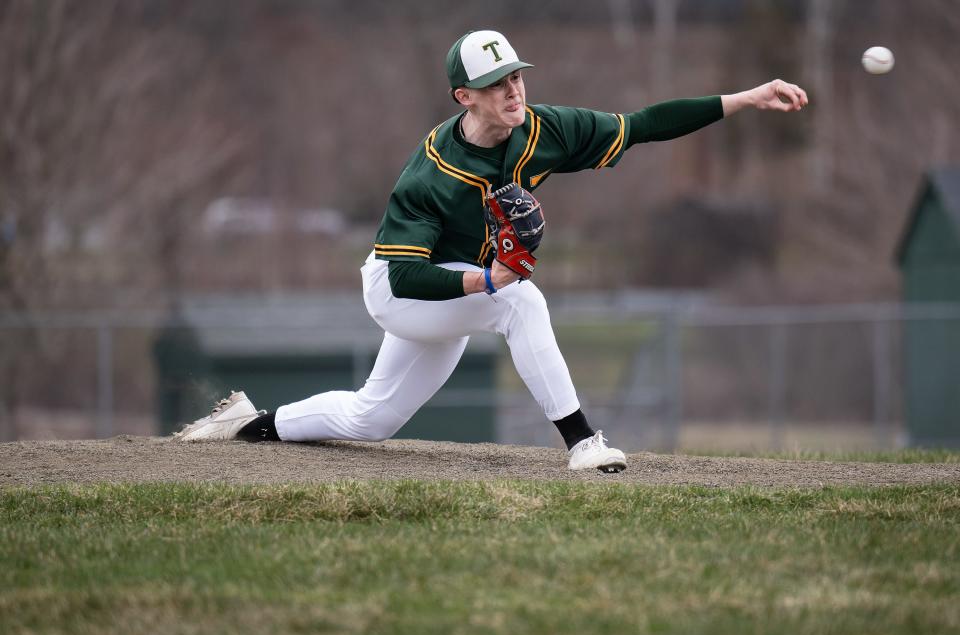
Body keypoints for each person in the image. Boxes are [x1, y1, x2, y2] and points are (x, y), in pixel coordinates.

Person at [174, 30, 807, 472]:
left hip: (458, 283)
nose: (514, 89)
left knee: (373, 420)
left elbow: (641, 125)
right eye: (495, 82)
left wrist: (743, 100)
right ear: (464, 97)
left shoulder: (542, 129)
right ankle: (583, 442)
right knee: (520, 301)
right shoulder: (429, 175)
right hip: (402, 291)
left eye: (516, 75)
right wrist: (489, 281)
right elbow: (406, 277)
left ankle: (246, 425)